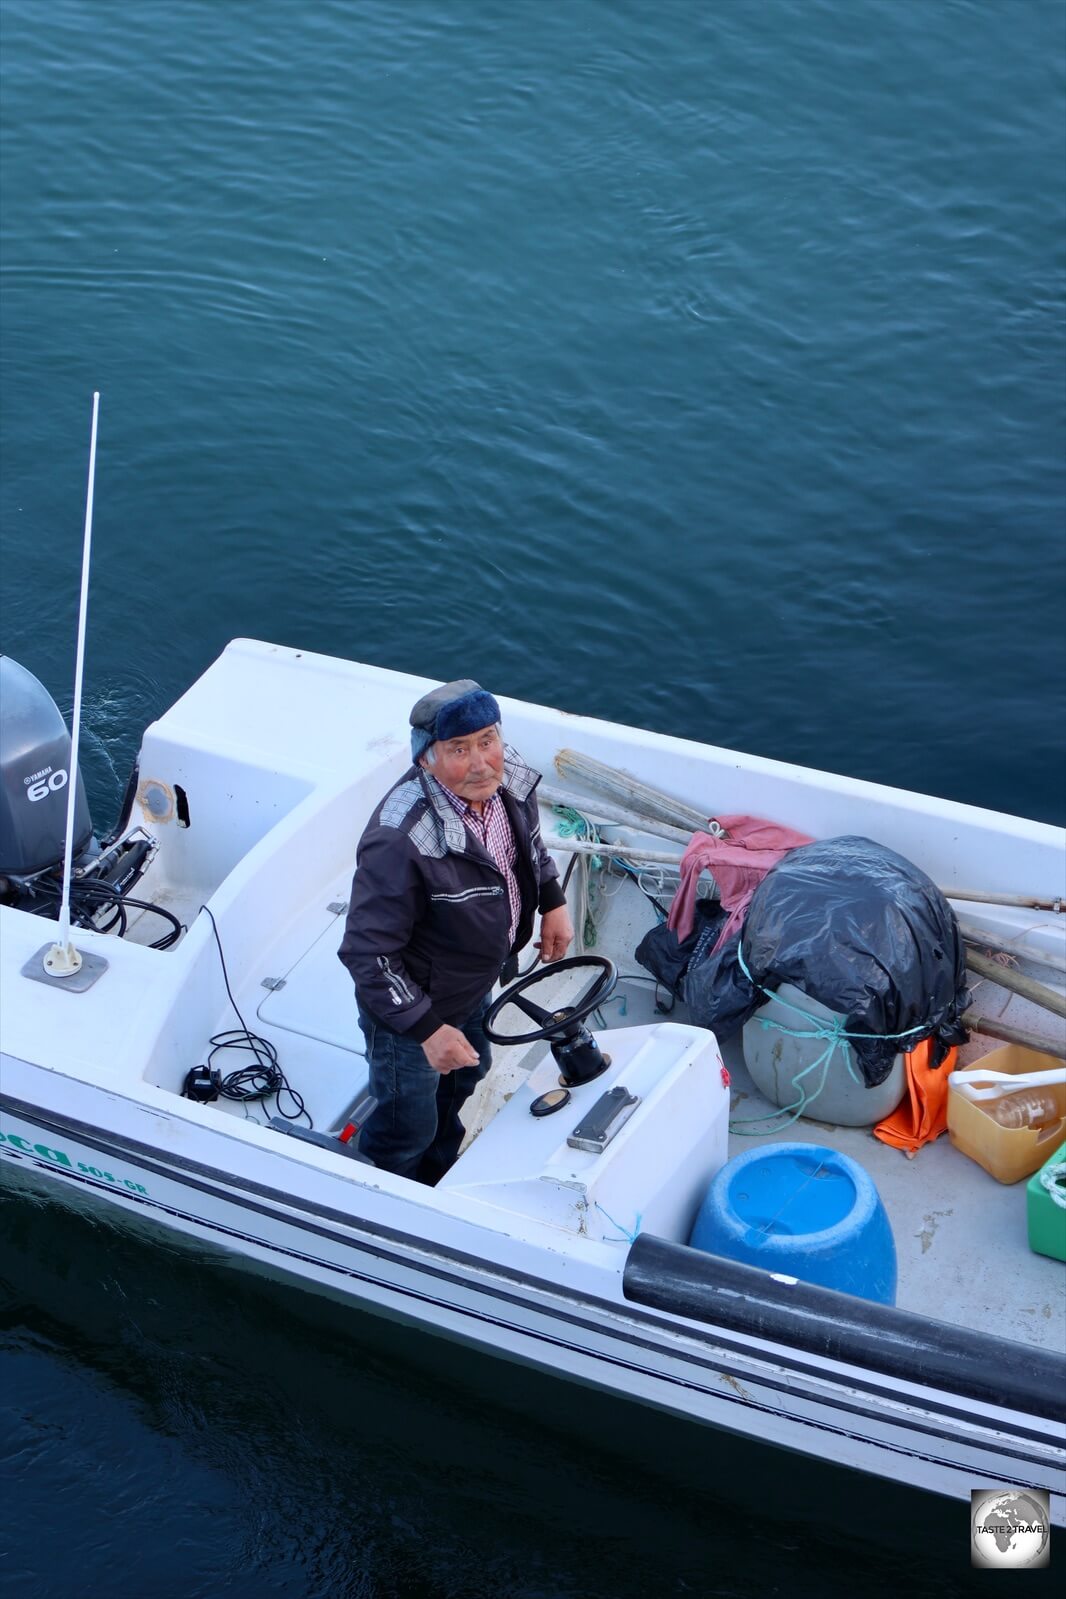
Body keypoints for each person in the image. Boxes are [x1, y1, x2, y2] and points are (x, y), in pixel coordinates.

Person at [338, 679, 574, 1184]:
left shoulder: (510, 784)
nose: (481, 762)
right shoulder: (398, 840)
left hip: (473, 982)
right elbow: (367, 953)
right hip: (412, 1009)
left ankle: (437, 1175)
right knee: (407, 1124)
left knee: (468, 1074)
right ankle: (386, 1196)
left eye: (487, 741)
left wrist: (553, 902)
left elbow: (529, 852)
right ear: (426, 758)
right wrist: (426, 1030)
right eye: (458, 749)